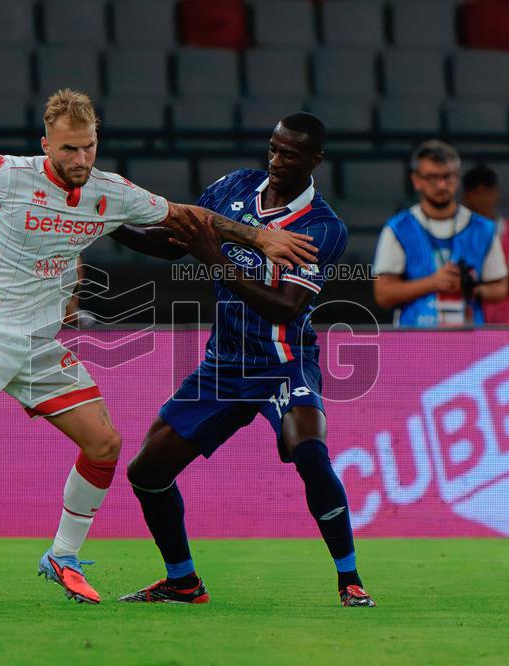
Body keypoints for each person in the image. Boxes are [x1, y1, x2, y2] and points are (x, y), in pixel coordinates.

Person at [0, 89, 316, 605]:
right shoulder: (9, 174)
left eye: (88, 146)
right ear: (46, 145)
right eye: (68, 149)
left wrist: (260, 238)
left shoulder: (110, 191)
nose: (80, 159)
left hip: (40, 341)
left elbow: (185, 217)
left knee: (105, 444)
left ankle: (62, 556)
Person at [118, 113, 375, 608]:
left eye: (291, 154)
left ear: (315, 161)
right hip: (224, 366)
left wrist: (214, 256)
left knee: (310, 453)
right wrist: (106, 225)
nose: (277, 161)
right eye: (274, 149)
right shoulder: (234, 187)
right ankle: (183, 582)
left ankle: (350, 579)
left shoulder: (323, 227)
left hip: (283, 361)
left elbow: (285, 306)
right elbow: (172, 245)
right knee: (146, 472)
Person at [373, 141, 508, 327]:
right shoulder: (398, 228)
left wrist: (472, 289)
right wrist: (435, 282)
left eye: (448, 177)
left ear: (458, 178)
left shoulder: (483, 228)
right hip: (413, 343)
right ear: (416, 180)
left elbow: (500, 288)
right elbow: (383, 295)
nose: (441, 185)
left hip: (469, 343)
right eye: (432, 178)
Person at [461, 164, 509, 325]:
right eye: (477, 194)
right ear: (467, 197)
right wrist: (506, 280)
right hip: (471, 312)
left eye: (488, 193)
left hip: (507, 313)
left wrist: (487, 284)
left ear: (496, 194)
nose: (483, 199)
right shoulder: (458, 233)